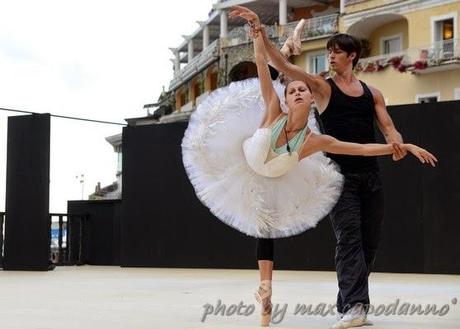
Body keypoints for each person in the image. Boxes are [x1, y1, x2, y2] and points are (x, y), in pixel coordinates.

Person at [229, 6, 436, 328]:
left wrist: (398, 143)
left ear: (351, 56)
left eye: (336, 53)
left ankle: (353, 304)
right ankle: (352, 307)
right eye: (328, 52)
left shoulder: (373, 92)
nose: (330, 57)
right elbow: (279, 64)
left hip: (369, 173)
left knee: (370, 242)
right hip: (340, 177)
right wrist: (260, 33)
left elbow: (387, 126)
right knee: (350, 239)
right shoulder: (322, 87)